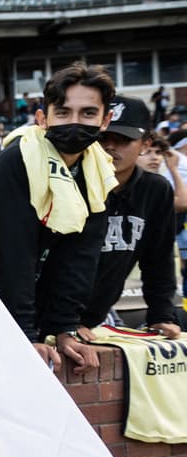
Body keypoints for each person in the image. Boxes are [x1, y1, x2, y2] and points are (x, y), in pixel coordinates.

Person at [0, 62, 117, 370]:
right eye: (63, 112)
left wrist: (64, 329)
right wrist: (26, 333)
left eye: (87, 113)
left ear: (105, 120)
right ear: (43, 118)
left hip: (29, 297)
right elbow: (14, 252)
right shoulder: (16, 161)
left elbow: (80, 256)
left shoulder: (99, 172)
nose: (74, 122)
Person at [77, 96, 182, 338]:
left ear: (145, 144)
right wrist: (62, 322)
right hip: (46, 317)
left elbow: (159, 260)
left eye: (124, 139)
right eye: (102, 137)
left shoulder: (155, 190)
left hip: (94, 317)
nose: (110, 146)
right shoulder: (69, 183)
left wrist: (162, 316)